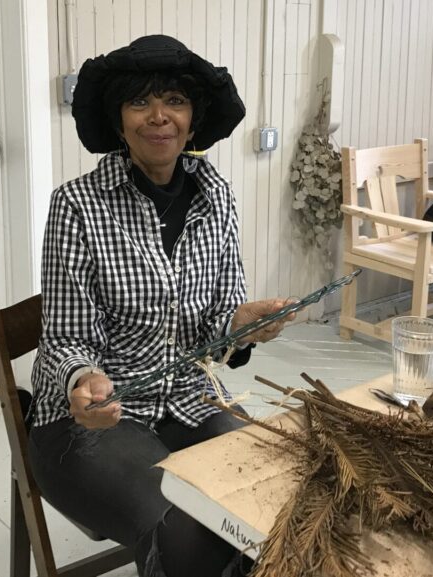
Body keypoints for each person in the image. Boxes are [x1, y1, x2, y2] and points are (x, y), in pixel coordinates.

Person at [28, 35, 293, 577]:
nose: (158, 116)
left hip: (189, 400)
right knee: (188, 528)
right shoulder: (77, 205)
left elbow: (216, 324)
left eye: (174, 101)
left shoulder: (217, 198)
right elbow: (65, 338)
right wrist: (84, 380)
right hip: (97, 418)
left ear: (193, 122)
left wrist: (239, 325)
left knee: (273, 490)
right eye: (139, 102)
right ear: (119, 121)